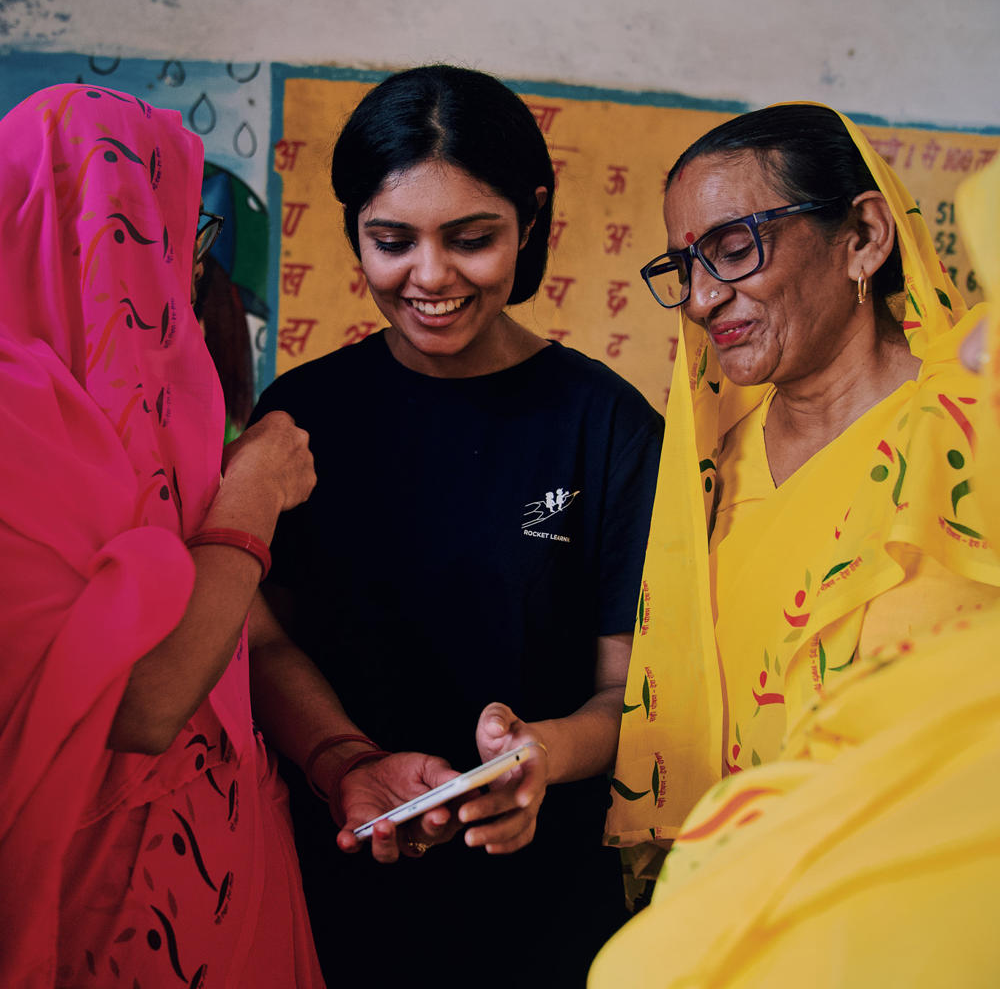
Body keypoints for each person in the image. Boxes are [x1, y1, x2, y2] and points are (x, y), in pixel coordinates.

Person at [0, 83, 457, 989]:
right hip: (101, 916)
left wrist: (343, 758)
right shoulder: (21, 421)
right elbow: (143, 703)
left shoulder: (154, 419)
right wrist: (253, 494)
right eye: (158, 234)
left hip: (222, 877)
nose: (177, 272)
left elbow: (247, 635)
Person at [250, 64, 663, 987]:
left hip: (544, 902)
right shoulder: (302, 416)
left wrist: (540, 756)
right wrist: (344, 759)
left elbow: (626, 691)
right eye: (391, 241)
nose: (430, 277)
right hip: (334, 876)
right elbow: (264, 639)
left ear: (531, 219)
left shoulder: (608, 428)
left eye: (472, 239)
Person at [589, 117, 1000, 987]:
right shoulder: (707, 472)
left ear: (863, 238)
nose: (701, 300)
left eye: (734, 248)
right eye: (685, 267)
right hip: (744, 928)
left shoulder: (969, 437)